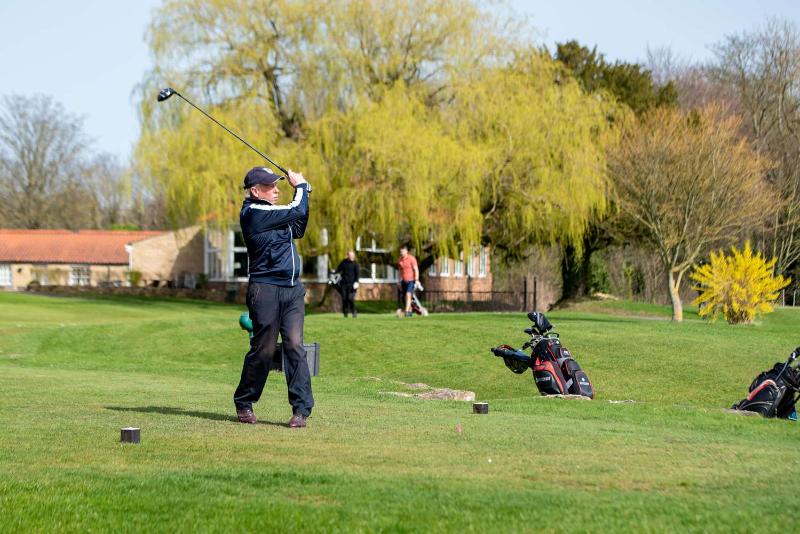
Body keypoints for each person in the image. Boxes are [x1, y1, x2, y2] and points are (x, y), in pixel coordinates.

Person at [233, 166, 313, 428]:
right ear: (256, 191)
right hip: (264, 289)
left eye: (278, 185)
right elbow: (297, 210)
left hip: (292, 290)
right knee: (264, 349)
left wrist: (305, 194)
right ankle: (244, 400)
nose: (277, 189)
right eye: (270, 186)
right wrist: (301, 188)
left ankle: (301, 410)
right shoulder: (254, 212)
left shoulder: (275, 215)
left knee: (294, 345)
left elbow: (298, 225)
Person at [335, 250, 360, 318]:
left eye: (353, 255)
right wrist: (334, 274)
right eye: (350, 255)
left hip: (352, 285)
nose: (352, 257)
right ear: (347, 255)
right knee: (344, 298)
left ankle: (354, 312)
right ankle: (345, 313)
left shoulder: (355, 264)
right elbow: (338, 270)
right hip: (344, 284)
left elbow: (357, 274)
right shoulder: (344, 262)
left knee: (350, 298)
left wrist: (356, 282)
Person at [397, 245, 419, 317]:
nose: (401, 253)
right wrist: (399, 281)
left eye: (403, 251)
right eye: (400, 252)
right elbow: (400, 271)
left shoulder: (411, 259)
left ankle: (406, 312)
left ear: (406, 251)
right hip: (403, 281)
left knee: (408, 294)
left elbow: (416, 269)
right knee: (405, 297)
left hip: (411, 280)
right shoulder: (400, 260)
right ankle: (410, 311)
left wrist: (416, 280)